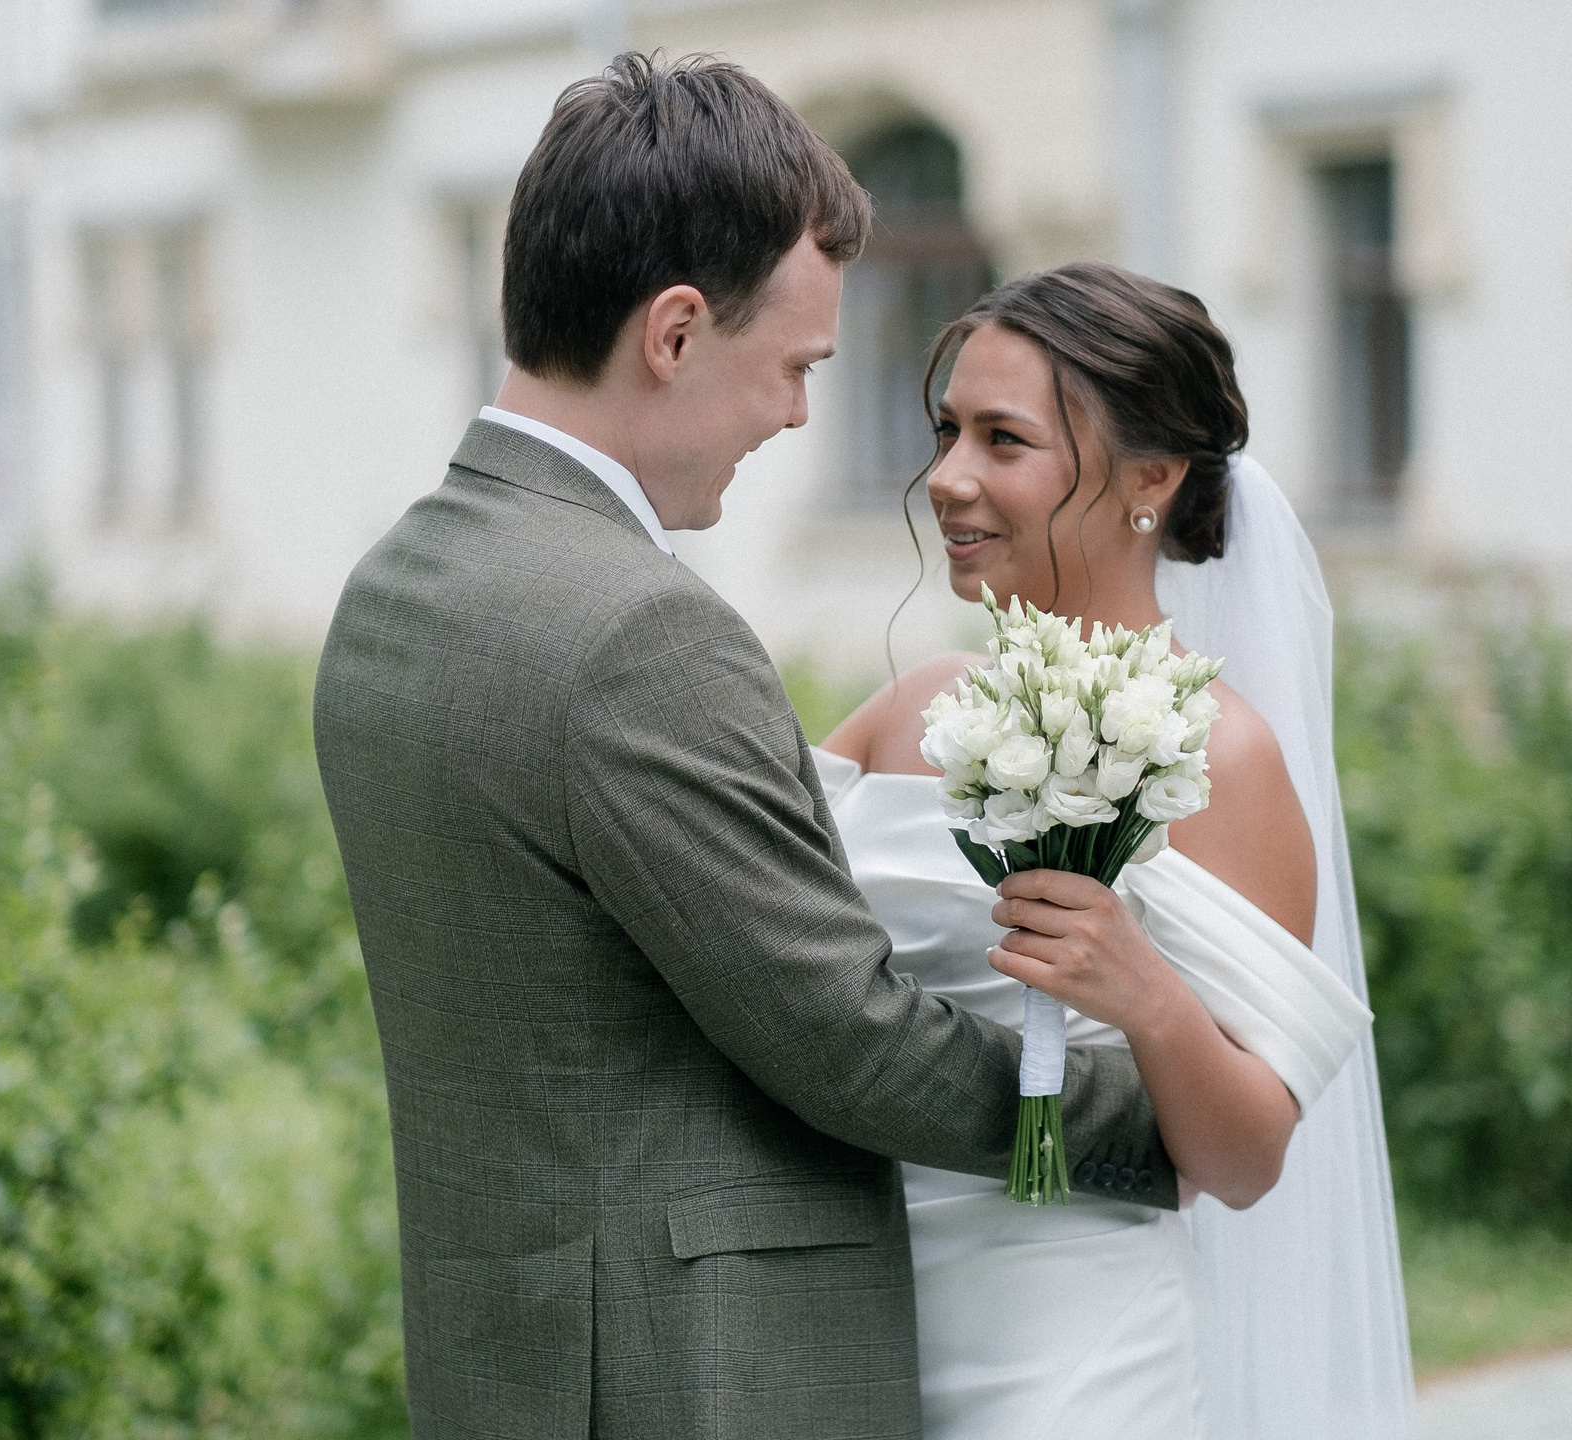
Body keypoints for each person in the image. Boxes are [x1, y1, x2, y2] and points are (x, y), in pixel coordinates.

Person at [311, 56, 1182, 1439]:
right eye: (795, 367)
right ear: (672, 334)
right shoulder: (640, 635)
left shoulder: (394, 591)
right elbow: (848, 1041)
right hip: (700, 1374)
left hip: (507, 1363)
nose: (795, 417)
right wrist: (1157, 1116)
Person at [819, 262, 1419, 1438]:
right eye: (946, 431)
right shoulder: (915, 706)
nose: (947, 478)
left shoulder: (1223, 758)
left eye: (1004, 440)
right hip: (848, 1321)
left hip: (1067, 1363)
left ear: (1151, 478)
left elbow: (1246, 1162)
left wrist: (1145, 995)